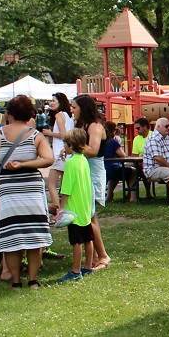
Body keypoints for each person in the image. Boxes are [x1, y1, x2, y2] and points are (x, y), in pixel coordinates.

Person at [0, 95, 54, 289]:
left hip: (8, 189)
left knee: (11, 235)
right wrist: (25, 164)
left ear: (9, 113)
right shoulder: (36, 135)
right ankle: (33, 280)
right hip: (32, 188)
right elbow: (48, 159)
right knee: (34, 234)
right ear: (30, 114)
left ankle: (15, 281)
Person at [72, 95, 111, 268]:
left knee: (89, 216)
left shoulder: (95, 126)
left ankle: (103, 256)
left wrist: (73, 145)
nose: (72, 110)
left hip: (93, 172)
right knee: (88, 214)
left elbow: (93, 150)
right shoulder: (84, 125)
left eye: (75, 107)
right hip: (85, 171)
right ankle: (95, 255)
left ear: (84, 108)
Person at [56, 128, 96, 282]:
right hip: (85, 205)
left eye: (65, 144)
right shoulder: (83, 159)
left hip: (74, 208)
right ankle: (88, 267)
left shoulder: (70, 163)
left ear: (71, 145)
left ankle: (75, 271)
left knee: (76, 241)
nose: (64, 146)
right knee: (88, 238)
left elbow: (66, 188)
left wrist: (61, 207)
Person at [42, 92, 75, 212]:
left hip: (60, 154)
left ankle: (57, 209)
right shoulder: (68, 116)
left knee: (50, 184)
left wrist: (49, 133)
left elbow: (63, 134)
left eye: (53, 100)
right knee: (65, 185)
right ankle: (65, 208)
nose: (51, 103)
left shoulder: (59, 115)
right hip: (67, 153)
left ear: (60, 102)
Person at [102, 122, 135, 203]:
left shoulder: (99, 142)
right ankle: (133, 197)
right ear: (112, 131)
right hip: (112, 169)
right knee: (133, 171)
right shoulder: (112, 141)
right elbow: (123, 155)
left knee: (117, 173)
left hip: (103, 169)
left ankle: (109, 196)